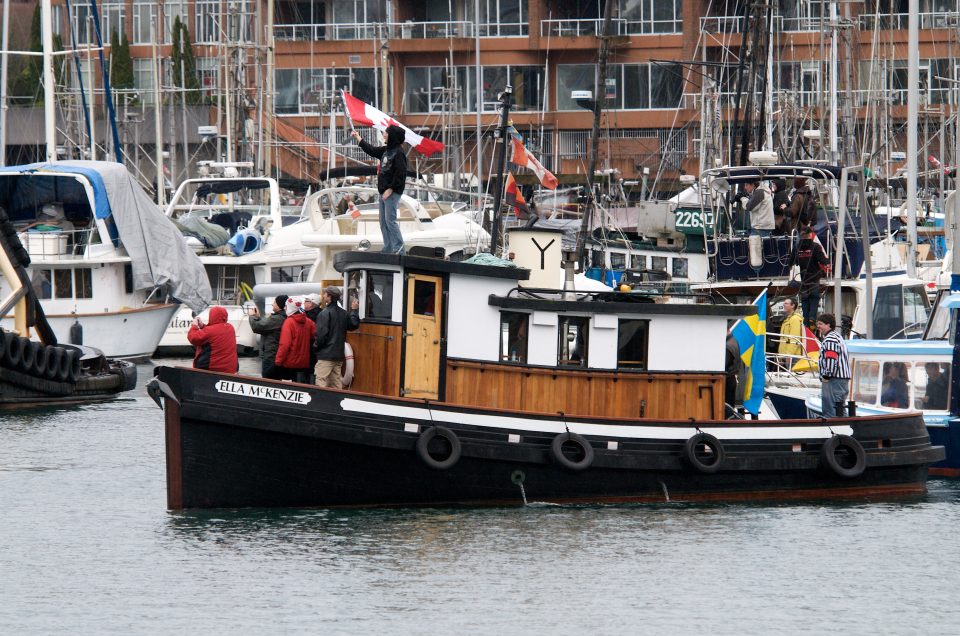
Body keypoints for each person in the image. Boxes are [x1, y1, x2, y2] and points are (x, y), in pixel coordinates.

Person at [351, 125, 408, 254]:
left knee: (390, 221)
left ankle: (399, 249)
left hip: (391, 193)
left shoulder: (398, 153)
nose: (384, 135)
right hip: (383, 192)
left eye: (386, 133)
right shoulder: (386, 150)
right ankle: (388, 248)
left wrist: (391, 189)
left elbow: (400, 174)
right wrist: (358, 138)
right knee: (383, 222)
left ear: (392, 135)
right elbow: (371, 150)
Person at [314, 285, 361, 389]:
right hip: (338, 354)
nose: (323, 296)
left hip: (326, 354)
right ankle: (336, 404)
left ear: (329, 296)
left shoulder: (324, 313)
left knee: (321, 381)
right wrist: (354, 311)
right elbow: (353, 325)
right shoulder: (343, 313)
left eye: (325, 294)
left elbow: (321, 336)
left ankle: (321, 403)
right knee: (335, 383)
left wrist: (316, 347)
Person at [795, 226, 830, 327]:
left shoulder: (797, 247)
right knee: (814, 298)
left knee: (805, 299)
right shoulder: (815, 246)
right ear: (810, 235)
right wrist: (827, 263)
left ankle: (806, 322)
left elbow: (792, 260)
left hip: (803, 278)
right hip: (814, 277)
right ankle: (812, 318)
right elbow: (822, 258)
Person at [816, 313, 850, 418]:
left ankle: (835, 428)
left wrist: (826, 375)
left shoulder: (830, 339)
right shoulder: (837, 336)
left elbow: (831, 358)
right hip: (840, 378)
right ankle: (845, 427)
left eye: (820, 324)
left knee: (831, 409)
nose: (818, 327)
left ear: (828, 325)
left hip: (834, 379)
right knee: (840, 407)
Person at [187, 305, 238, 373]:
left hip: (211, 370)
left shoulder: (209, 331)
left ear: (211, 316)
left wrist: (194, 326)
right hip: (230, 370)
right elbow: (214, 334)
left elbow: (193, 338)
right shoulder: (230, 328)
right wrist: (202, 326)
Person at [275, 296, 315, 382]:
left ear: (290, 307)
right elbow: (315, 336)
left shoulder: (289, 322)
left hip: (290, 363)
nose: (285, 308)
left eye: (286, 306)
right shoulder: (308, 321)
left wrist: (278, 361)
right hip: (304, 362)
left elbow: (285, 345)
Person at [248, 294, 287, 379]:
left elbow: (257, 327)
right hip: (274, 355)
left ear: (280, 305)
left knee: (268, 380)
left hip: (271, 356)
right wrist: (258, 318)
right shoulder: (281, 317)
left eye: (274, 302)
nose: (273, 304)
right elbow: (265, 327)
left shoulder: (277, 318)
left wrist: (252, 316)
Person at [777, 297, 804, 363]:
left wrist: (789, 355)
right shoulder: (788, 319)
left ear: (793, 305)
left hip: (792, 357)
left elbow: (794, 338)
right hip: (785, 355)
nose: (784, 305)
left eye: (786, 303)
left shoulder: (795, 319)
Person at [725, 329, 741, 411]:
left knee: (727, 409)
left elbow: (724, 365)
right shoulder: (733, 340)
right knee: (730, 407)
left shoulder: (728, 345)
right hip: (731, 379)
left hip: (727, 381)